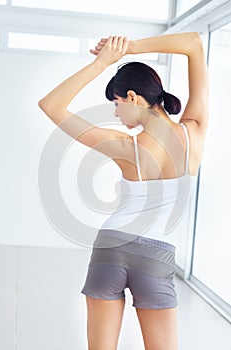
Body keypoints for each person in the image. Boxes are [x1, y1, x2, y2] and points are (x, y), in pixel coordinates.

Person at [38, 32, 209, 350]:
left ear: (132, 96)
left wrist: (104, 61)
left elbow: (50, 105)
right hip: (156, 257)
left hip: (111, 249)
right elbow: (195, 44)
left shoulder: (123, 147)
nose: (116, 114)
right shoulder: (194, 133)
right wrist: (128, 49)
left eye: (116, 104)